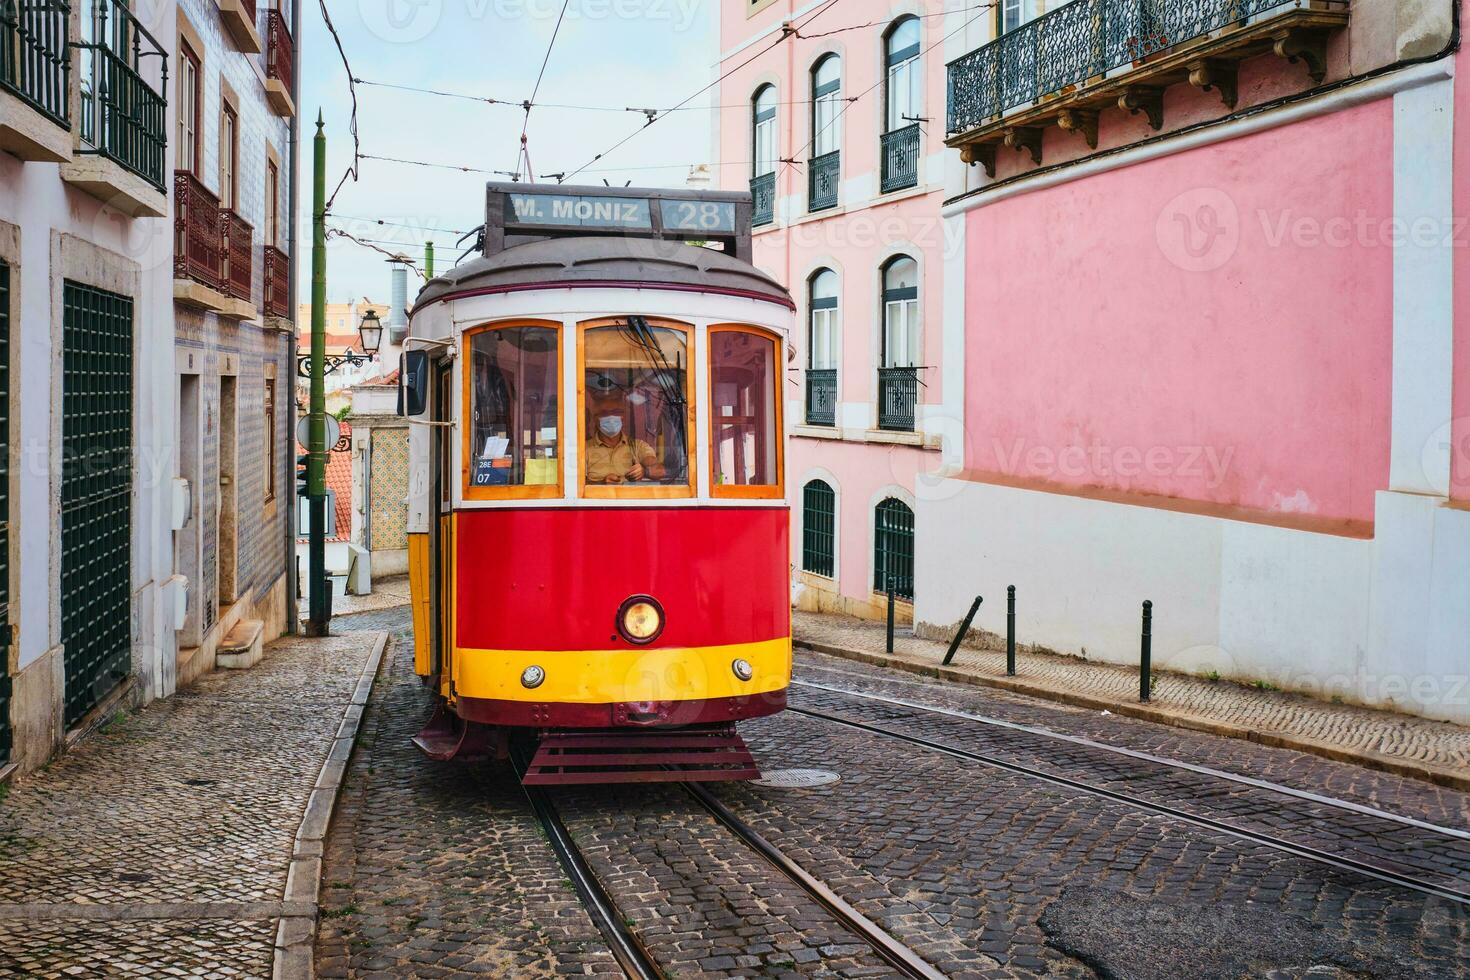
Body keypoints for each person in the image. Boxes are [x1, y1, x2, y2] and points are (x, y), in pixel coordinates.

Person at [584, 388, 667, 484]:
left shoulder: (638, 446)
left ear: (623, 417)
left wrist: (645, 471)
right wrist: (602, 483)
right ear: (595, 418)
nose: (611, 417)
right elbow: (575, 485)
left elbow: (660, 471)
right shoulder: (584, 449)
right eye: (604, 413)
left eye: (616, 412)